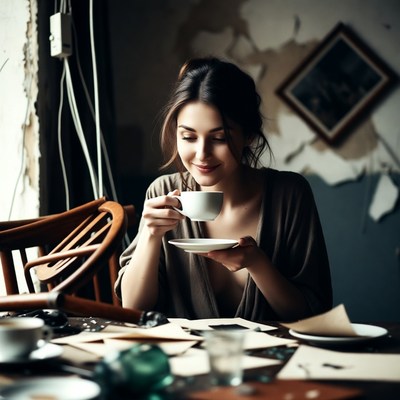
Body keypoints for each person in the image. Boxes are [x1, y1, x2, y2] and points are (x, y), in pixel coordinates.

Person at [115, 57, 332, 322]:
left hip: (272, 359)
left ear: (249, 136)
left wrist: (257, 263)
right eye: (188, 137)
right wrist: (150, 235)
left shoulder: (289, 194)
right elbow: (134, 309)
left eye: (219, 138)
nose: (202, 154)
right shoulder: (163, 192)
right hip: (186, 359)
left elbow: (312, 315)